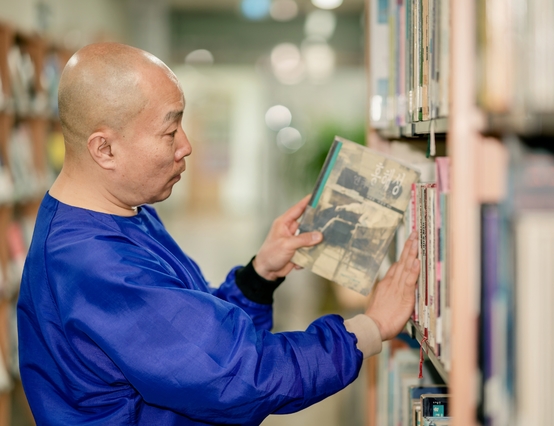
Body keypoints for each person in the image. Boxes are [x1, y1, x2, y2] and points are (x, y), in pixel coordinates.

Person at [17, 42, 420, 426]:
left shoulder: (125, 213)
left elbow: (195, 335)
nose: (187, 146)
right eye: (169, 131)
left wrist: (258, 276)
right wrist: (370, 328)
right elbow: (236, 374)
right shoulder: (93, 263)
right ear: (104, 149)